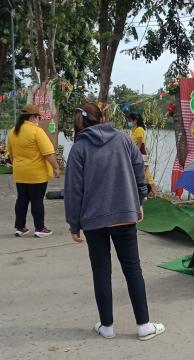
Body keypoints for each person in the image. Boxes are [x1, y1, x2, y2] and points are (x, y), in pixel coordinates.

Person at [64, 103, 164, 340]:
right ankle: (144, 326)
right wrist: (138, 200)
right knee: (133, 270)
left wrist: (74, 223)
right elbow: (140, 170)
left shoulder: (79, 149)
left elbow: (73, 190)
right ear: (104, 117)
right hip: (124, 216)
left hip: (93, 220)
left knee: (101, 272)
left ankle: (107, 327)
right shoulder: (124, 139)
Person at [6, 104, 60, 238]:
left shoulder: (13, 131)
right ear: (32, 117)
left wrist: (19, 166)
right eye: (38, 117)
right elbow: (48, 153)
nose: (38, 120)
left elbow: (11, 155)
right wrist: (56, 167)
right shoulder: (37, 131)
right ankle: (40, 228)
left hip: (20, 172)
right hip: (36, 174)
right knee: (37, 201)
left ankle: (20, 227)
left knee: (21, 200)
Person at [127, 113, 157, 195]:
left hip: (140, 154)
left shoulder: (139, 129)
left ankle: (155, 191)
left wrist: (135, 155)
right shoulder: (134, 130)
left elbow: (139, 144)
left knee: (146, 173)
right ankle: (142, 191)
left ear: (135, 120)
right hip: (136, 154)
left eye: (130, 120)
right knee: (140, 173)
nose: (128, 122)